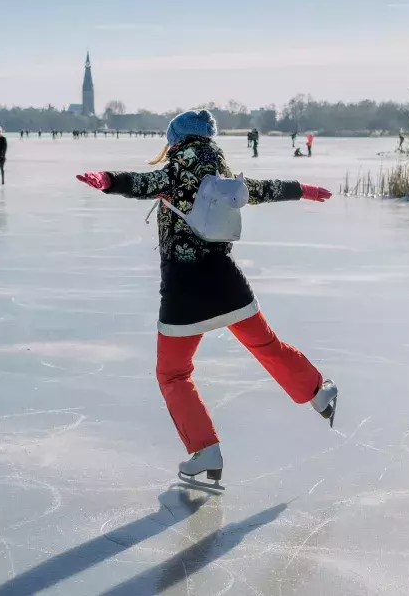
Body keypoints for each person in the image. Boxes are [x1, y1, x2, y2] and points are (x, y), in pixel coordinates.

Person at [74, 109, 338, 487]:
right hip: (228, 284)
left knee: (173, 373)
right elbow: (265, 190)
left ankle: (205, 450)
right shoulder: (225, 176)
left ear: (176, 140)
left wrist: (107, 180)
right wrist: (305, 190)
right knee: (267, 345)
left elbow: (140, 183)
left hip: (185, 293)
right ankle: (318, 393)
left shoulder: (175, 170)